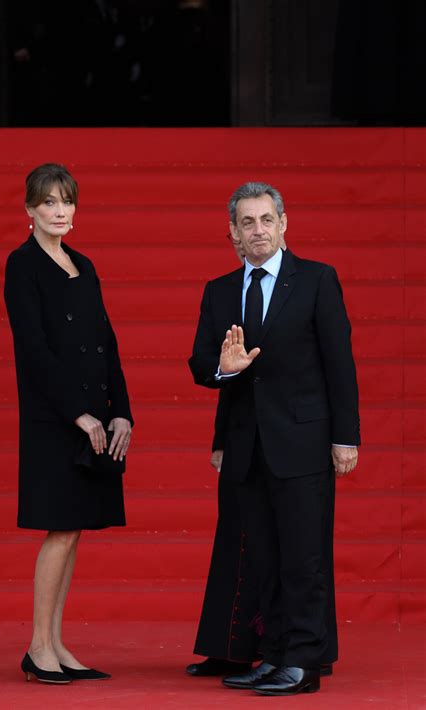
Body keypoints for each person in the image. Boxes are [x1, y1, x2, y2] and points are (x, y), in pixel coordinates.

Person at [189, 182, 359, 696]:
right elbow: (201, 364)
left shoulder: (315, 280)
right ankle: (275, 655)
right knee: (262, 556)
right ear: (234, 236)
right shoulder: (219, 291)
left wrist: (346, 438)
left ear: (284, 223)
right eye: (247, 223)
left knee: (303, 557)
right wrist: (222, 368)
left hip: (304, 443)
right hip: (247, 449)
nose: (258, 230)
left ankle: (304, 663)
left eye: (266, 219)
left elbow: (340, 366)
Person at [4, 163, 133, 684]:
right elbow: (32, 350)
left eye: (67, 201)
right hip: (55, 419)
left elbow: (107, 342)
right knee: (59, 528)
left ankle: (55, 642)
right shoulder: (23, 265)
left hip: (94, 417)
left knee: (74, 529)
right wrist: (75, 412)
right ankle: (37, 647)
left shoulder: (84, 264)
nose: (60, 211)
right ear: (29, 210)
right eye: (49, 202)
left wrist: (120, 408)